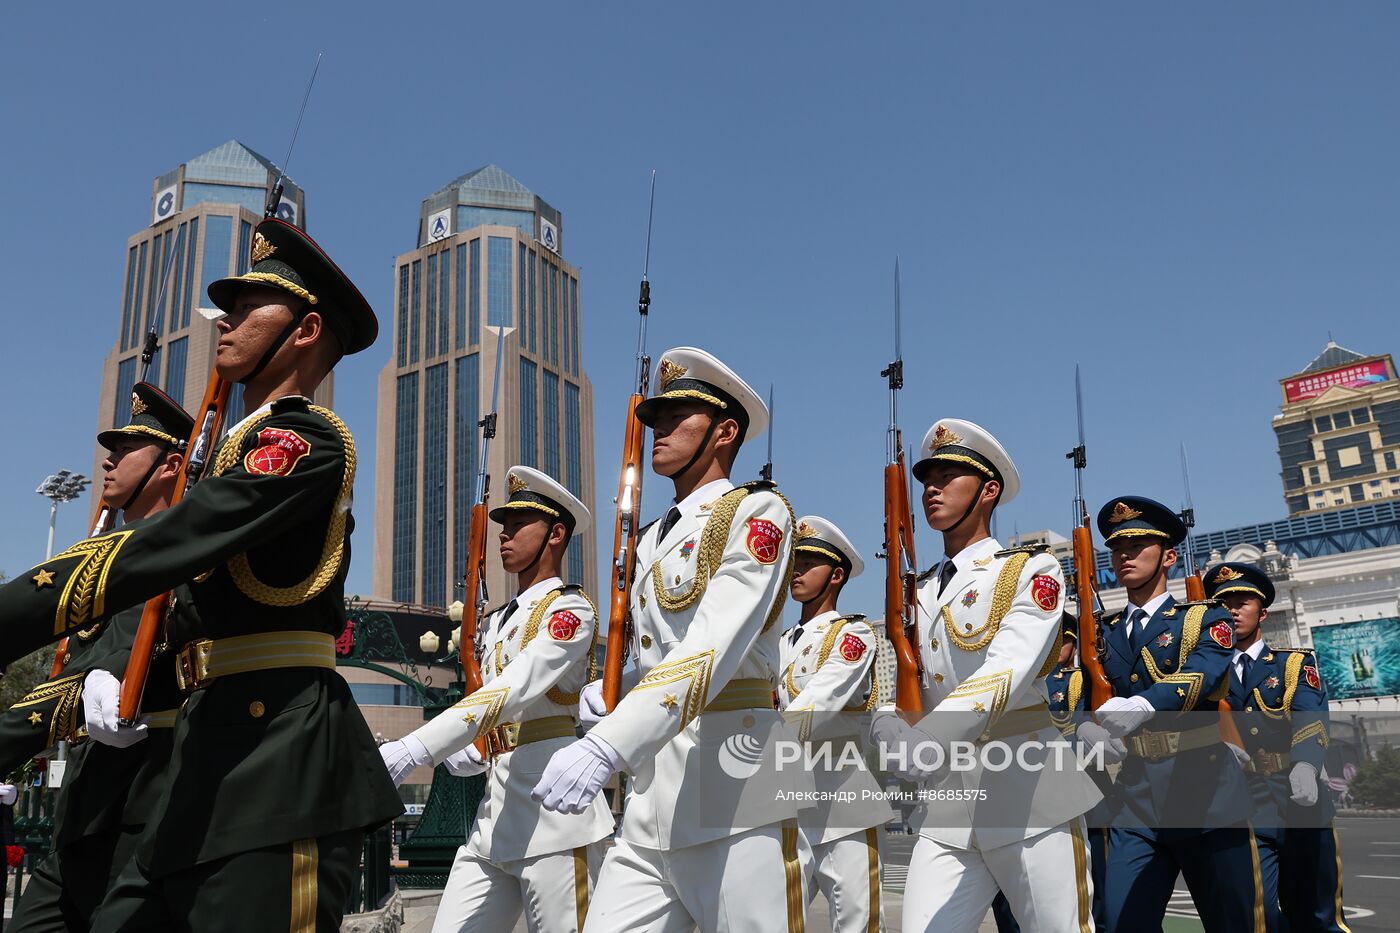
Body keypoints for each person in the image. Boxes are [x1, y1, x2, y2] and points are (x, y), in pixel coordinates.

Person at [0, 218, 403, 930]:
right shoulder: (230, 456)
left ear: (305, 331)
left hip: (282, 765)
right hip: (204, 756)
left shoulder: (299, 441)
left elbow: (165, 546)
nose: (228, 318)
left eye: (251, 307)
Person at [534, 347, 808, 933]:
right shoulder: (652, 537)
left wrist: (610, 741)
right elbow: (658, 649)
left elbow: (714, 642)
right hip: (652, 799)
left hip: (736, 792)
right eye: (654, 417)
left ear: (724, 431)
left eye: (676, 416)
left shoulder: (757, 512)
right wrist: (621, 683)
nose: (657, 429)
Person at [871, 419, 1100, 933]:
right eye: (927, 477)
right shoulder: (919, 592)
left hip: (1029, 791)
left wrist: (929, 735)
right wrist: (888, 719)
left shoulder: (1029, 571)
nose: (932, 487)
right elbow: (910, 679)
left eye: (950, 475)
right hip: (948, 802)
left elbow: (1005, 670)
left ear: (988, 491)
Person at [379, 466, 612, 933]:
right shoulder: (499, 620)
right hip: (494, 819)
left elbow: (514, 688)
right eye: (503, 525)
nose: (504, 535)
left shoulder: (569, 610)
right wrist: (478, 746)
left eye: (519, 524)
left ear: (556, 534)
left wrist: (420, 746)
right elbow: (492, 702)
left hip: (557, 823)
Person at [0, 383, 193, 932]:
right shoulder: (107, 557)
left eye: (127, 450)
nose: (108, 461)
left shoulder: (168, 559)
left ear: (169, 465)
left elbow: (109, 662)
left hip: (140, 812)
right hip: (82, 816)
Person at [1080, 497, 1263, 932]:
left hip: (1205, 792)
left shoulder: (1206, 617)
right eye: (1118, 547)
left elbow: (1205, 669)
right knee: (1122, 921)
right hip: (1135, 798)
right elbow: (1082, 701)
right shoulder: (1100, 632)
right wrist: (1084, 730)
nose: (1125, 555)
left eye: (1139, 545)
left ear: (1168, 557)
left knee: (1231, 922)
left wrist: (1145, 704)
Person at [1207, 562, 1346, 933]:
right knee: (1258, 915)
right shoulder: (1204, 675)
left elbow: (1310, 718)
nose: (1233, 610)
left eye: (1243, 602)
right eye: (1224, 603)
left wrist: (1305, 764)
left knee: (1318, 915)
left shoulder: (1293, 664)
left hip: (1298, 798)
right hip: (1241, 804)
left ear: (1262, 612)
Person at [780, 515, 890, 933]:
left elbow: (820, 699)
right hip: (789, 799)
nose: (797, 572)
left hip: (843, 800)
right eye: (796, 562)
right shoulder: (779, 641)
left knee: (856, 922)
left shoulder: (853, 635)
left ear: (836, 575)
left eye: (809, 564)